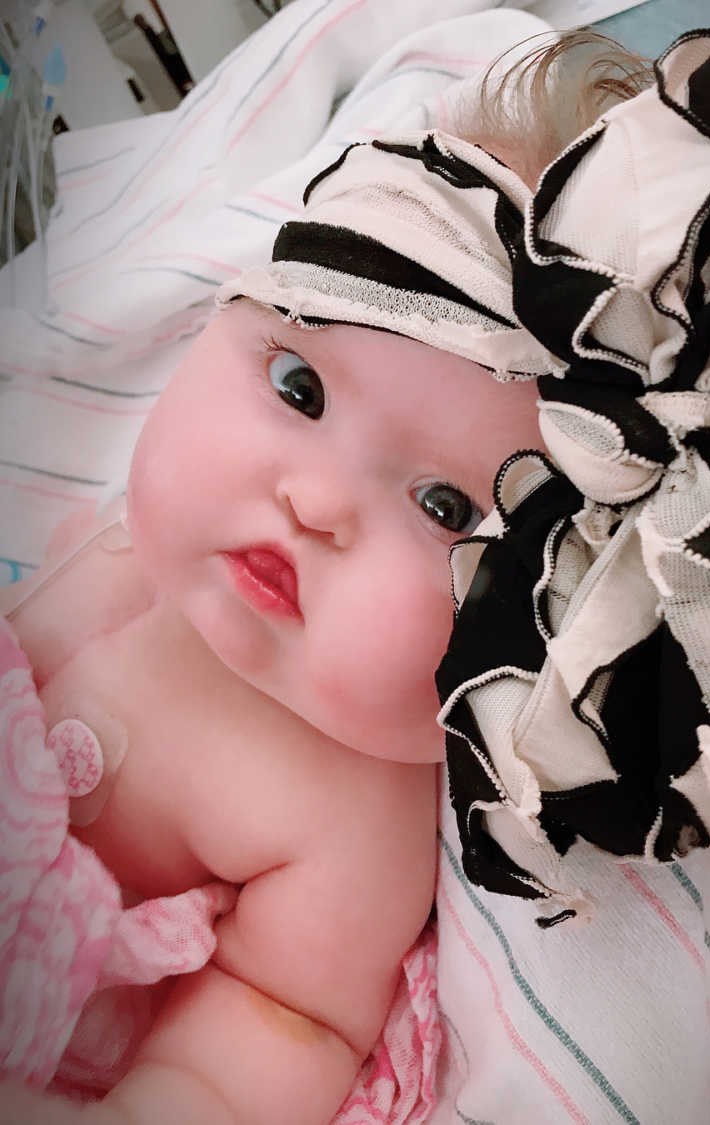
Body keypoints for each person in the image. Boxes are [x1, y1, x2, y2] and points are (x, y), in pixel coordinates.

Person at [0, 29, 652, 1123]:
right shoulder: (142, 530)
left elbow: (270, 1025)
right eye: (300, 387)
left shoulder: (355, 811)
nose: (314, 502)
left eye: (445, 508)